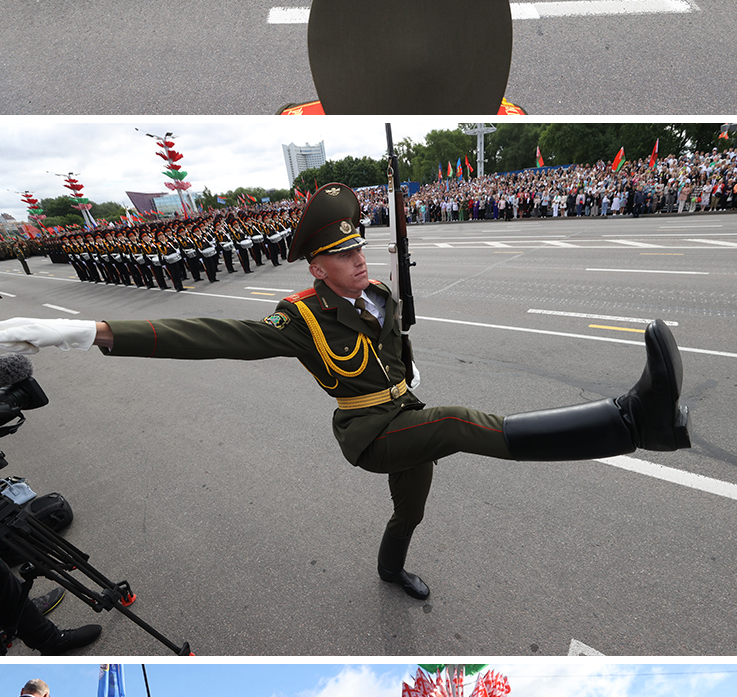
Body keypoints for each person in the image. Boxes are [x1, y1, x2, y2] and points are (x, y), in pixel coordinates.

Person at [95, 189, 693, 605]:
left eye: (360, 249)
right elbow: (216, 337)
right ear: (317, 266)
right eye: (344, 255)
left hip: (403, 414)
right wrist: (101, 333)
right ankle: (634, 423)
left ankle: (389, 569)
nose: (359, 260)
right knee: (460, 423)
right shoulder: (299, 317)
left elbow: (396, 348)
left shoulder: (380, 293)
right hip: (369, 434)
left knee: (411, 511)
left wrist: (405, 364)